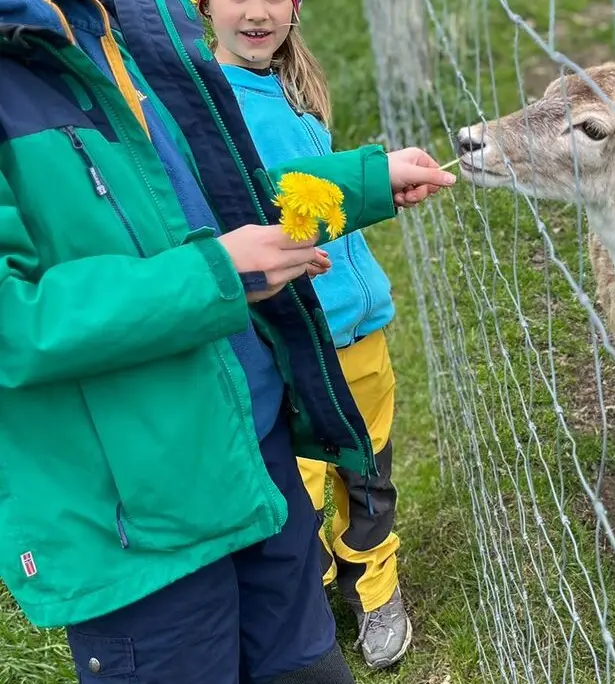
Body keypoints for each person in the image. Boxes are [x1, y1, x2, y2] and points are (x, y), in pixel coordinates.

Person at [0, 1, 456, 682]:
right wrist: (216, 274)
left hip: (253, 453)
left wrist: (360, 181)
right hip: (141, 525)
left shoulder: (123, 29)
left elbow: (205, 199)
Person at [201, 0, 413, 669]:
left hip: (362, 329)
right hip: (293, 342)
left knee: (370, 468)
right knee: (302, 483)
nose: (257, 12)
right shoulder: (203, 106)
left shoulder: (294, 91)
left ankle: (375, 582)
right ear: (202, 6)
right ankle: (310, 594)